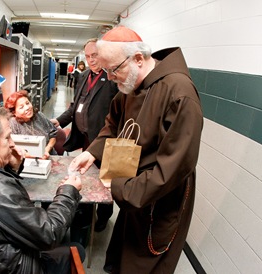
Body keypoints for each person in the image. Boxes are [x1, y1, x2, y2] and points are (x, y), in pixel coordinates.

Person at [69, 26, 203, 273]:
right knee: (123, 258)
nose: (109, 77)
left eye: (113, 69)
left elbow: (172, 170)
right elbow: (112, 123)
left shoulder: (179, 93)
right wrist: (92, 152)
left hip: (159, 199)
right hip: (136, 193)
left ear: (138, 59)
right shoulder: (130, 85)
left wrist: (118, 187)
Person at [0, 107, 85, 274]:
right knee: (77, 249)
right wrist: (68, 192)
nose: (12, 144)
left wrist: (13, 168)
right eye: (7, 137)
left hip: (1, 258)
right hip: (19, 267)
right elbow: (49, 233)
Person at [51, 38, 119, 242]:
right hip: (86, 140)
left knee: (105, 181)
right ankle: (87, 210)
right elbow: (75, 107)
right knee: (88, 178)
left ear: (103, 55)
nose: (91, 60)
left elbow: (119, 114)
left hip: (105, 141)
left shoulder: (113, 79)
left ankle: (104, 216)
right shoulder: (83, 76)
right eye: (88, 56)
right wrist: (59, 121)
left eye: (95, 55)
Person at [4, 90, 57, 159]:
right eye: (21, 107)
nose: (27, 108)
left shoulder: (39, 115)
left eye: (27, 103)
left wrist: (46, 149)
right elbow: (13, 149)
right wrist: (37, 156)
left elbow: (53, 135)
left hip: (49, 156)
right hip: (25, 161)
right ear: (14, 112)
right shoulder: (13, 124)